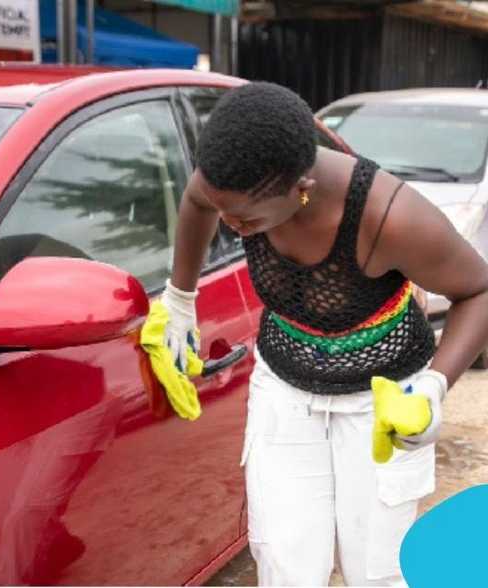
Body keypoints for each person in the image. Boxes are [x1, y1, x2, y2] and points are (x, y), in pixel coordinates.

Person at [162, 82, 488, 586]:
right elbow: (198, 201)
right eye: (224, 211)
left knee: (377, 570)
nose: (231, 225)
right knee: (285, 563)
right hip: (286, 387)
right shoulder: (230, 181)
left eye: (245, 218)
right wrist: (180, 299)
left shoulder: (389, 217)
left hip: (381, 402)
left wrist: (434, 386)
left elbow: (479, 291)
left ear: (301, 187)